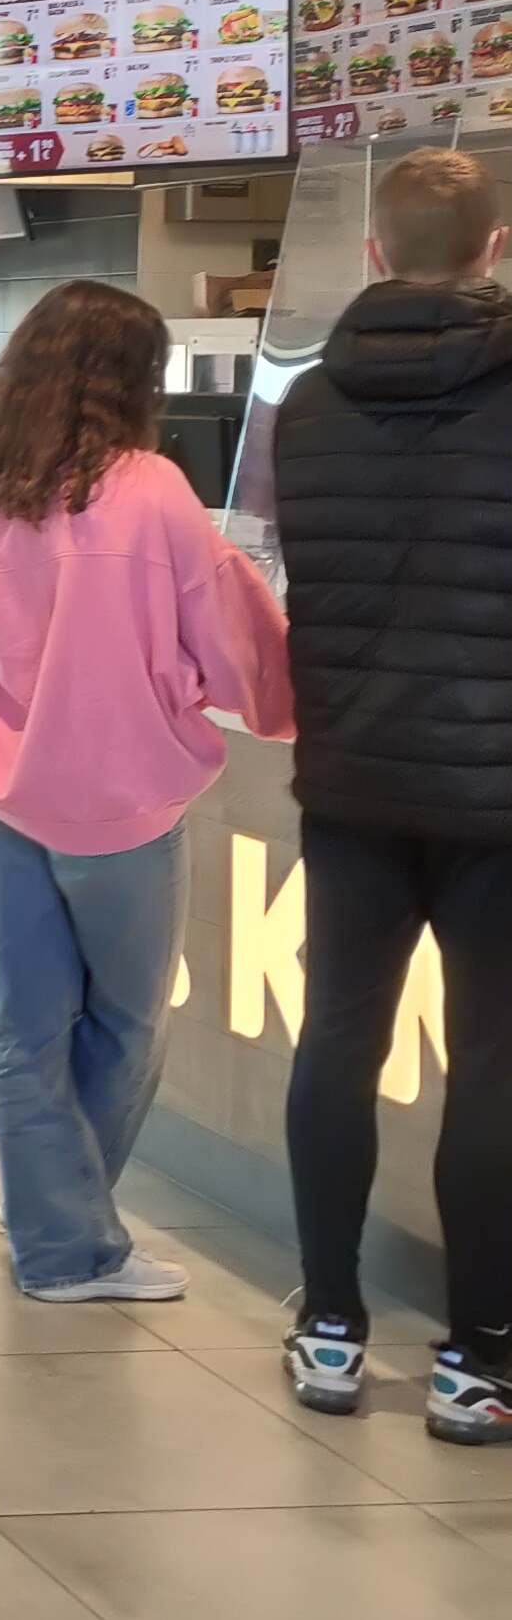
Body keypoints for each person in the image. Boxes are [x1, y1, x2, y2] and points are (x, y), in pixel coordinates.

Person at [0, 279, 290, 1299]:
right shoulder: (155, 489)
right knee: (127, 1027)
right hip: (127, 805)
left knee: (25, 1026)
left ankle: (47, 1215)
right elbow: (228, 642)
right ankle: (70, 1241)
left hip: (7, 798)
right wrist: (281, 699)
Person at [269, 144, 512, 1440]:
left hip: (352, 778)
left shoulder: (306, 404)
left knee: (337, 1042)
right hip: (496, 794)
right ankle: (478, 1360)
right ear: (495, 248)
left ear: (373, 252)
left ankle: (328, 1325)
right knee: (493, 1062)